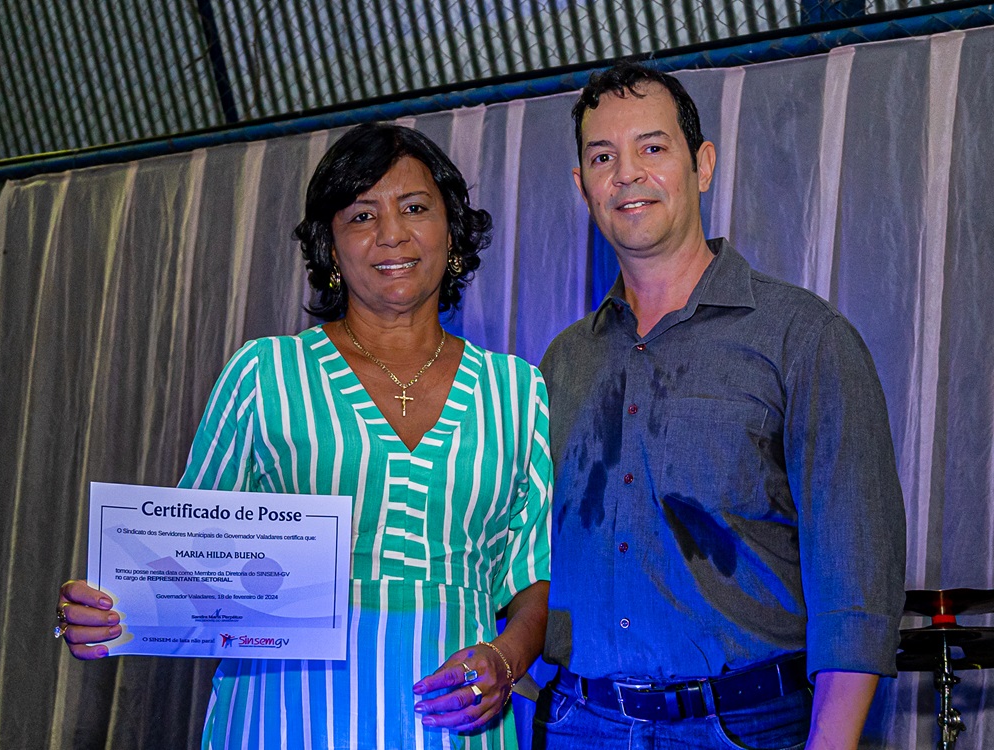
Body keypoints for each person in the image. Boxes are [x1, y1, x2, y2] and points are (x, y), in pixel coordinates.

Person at [56, 122, 553, 750]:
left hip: (455, 728)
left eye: (414, 208)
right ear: (330, 247)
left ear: (451, 231)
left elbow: (536, 577)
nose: (391, 233)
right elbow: (183, 556)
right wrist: (106, 607)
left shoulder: (517, 391)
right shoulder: (264, 374)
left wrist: (505, 660)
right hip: (282, 721)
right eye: (361, 215)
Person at [533, 61, 906, 750]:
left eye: (652, 147)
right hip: (580, 724)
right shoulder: (561, 362)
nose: (627, 174)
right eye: (603, 157)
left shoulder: (805, 338)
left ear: (702, 165)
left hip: (745, 726)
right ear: (582, 186)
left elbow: (857, 581)